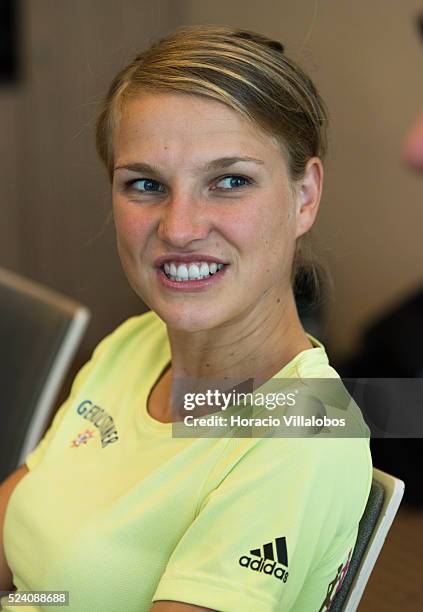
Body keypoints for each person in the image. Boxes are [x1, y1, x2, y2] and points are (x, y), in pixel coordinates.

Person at [0, 25, 372, 611]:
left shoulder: (306, 431)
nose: (179, 228)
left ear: (304, 196)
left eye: (230, 181)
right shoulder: (137, 343)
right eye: (145, 184)